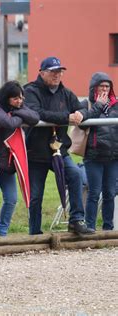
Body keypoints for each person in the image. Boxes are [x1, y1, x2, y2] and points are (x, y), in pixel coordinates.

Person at [23, 56, 94, 235]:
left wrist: (79, 113)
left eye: (59, 71)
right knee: (36, 195)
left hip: (59, 150)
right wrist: (66, 117)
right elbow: (37, 112)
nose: (57, 75)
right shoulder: (30, 91)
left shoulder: (66, 93)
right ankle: (34, 232)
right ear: (42, 73)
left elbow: (83, 109)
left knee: (76, 175)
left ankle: (76, 221)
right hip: (36, 152)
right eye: (53, 71)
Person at [0, 81, 39, 238]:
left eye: (21, 98)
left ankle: (2, 233)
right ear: (6, 97)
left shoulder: (17, 109)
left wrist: (16, 112)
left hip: (8, 164)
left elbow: (34, 117)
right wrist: (19, 115)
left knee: (12, 199)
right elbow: (8, 123)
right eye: (15, 98)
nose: (19, 101)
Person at [82, 72, 118, 231]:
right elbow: (82, 124)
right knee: (94, 193)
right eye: (101, 86)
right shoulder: (86, 104)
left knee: (110, 193)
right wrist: (98, 105)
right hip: (94, 156)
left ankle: (108, 228)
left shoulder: (116, 105)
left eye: (107, 86)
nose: (105, 89)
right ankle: (90, 227)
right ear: (94, 88)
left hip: (113, 156)